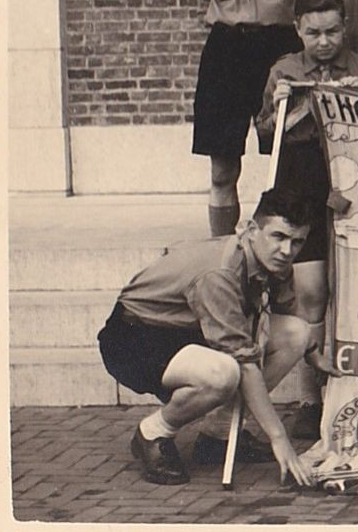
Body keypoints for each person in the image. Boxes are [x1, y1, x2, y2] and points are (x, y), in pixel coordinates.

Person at [96, 188, 322, 486]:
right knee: (223, 373)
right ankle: (153, 433)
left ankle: (218, 434)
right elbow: (244, 361)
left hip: (188, 330)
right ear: (252, 229)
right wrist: (279, 438)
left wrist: (314, 353)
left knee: (296, 333)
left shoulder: (271, 259)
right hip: (135, 337)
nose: (287, 251)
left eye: (297, 242)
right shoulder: (219, 274)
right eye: (278, 236)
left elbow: (286, 311)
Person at [255, 0, 358, 438]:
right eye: (313, 33)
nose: (324, 42)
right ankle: (311, 399)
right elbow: (266, 137)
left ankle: (355, 390)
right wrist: (289, 104)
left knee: (354, 293)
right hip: (301, 190)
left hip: (352, 190)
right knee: (310, 295)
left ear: (345, 27)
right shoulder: (284, 70)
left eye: (332, 31)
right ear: (298, 30)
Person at [193, 0, 318, 237]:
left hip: (278, 48)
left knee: (288, 160)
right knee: (222, 167)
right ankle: (223, 256)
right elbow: (204, 1)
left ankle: (285, 254)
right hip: (225, 51)